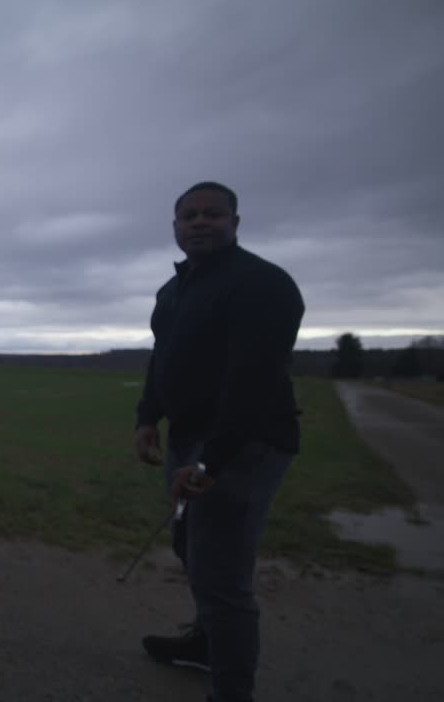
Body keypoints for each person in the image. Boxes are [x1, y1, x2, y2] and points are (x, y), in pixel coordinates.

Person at [133, 181, 305, 702]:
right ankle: (206, 645)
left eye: (213, 214)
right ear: (175, 227)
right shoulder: (175, 289)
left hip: (245, 444)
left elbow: (253, 383)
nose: (200, 222)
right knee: (191, 547)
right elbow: (162, 359)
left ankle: (231, 691)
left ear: (234, 222)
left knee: (222, 574)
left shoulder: (262, 284)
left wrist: (211, 461)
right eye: (190, 216)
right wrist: (147, 418)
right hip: (189, 439)